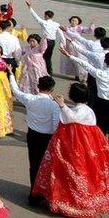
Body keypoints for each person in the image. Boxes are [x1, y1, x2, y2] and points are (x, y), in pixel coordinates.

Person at [31, 82, 109, 217]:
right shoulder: (87, 110)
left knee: (73, 173)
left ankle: (74, 202)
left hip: (75, 148)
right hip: (84, 147)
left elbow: (70, 118)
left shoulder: (80, 111)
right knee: (77, 173)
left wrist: (62, 105)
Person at [8, 73, 59, 207]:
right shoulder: (54, 105)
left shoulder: (30, 99)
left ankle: (34, 194)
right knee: (48, 166)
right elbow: (56, 124)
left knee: (34, 164)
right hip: (48, 138)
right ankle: (47, 193)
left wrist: (11, 74)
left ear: (38, 87)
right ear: (52, 89)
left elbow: (15, 90)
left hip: (33, 135)